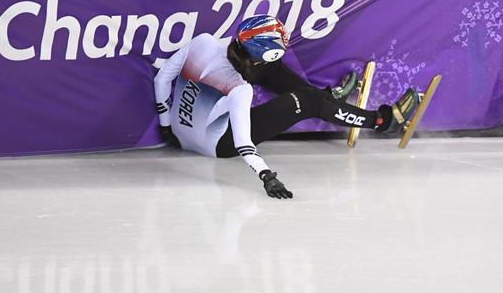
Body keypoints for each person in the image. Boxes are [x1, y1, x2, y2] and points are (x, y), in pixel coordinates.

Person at [153, 14, 422, 198]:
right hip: (219, 144)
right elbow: (244, 143)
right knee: (309, 102)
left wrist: (166, 127)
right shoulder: (239, 89)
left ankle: (328, 101)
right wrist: (266, 176)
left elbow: (161, 79)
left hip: (179, 132)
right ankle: (383, 121)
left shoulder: (201, 43)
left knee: (270, 70)